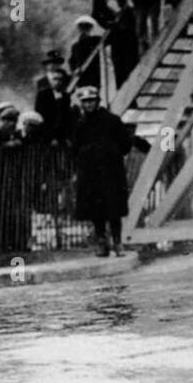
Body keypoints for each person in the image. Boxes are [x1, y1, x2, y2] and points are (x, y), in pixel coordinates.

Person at [71, 85, 147, 256]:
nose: (89, 105)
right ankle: (102, 244)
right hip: (90, 174)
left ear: (98, 101)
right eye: (85, 102)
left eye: (91, 101)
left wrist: (110, 153)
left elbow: (125, 145)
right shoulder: (81, 124)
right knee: (96, 211)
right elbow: (75, 148)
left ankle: (118, 243)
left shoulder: (112, 120)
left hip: (111, 172)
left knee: (114, 209)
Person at [69, 16, 104, 93]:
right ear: (79, 29)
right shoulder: (75, 46)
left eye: (87, 27)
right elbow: (72, 61)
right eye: (81, 27)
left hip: (98, 75)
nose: (84, 30)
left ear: (91, 28)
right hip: (83, 78)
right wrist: (75, 69)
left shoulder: (97, 40)